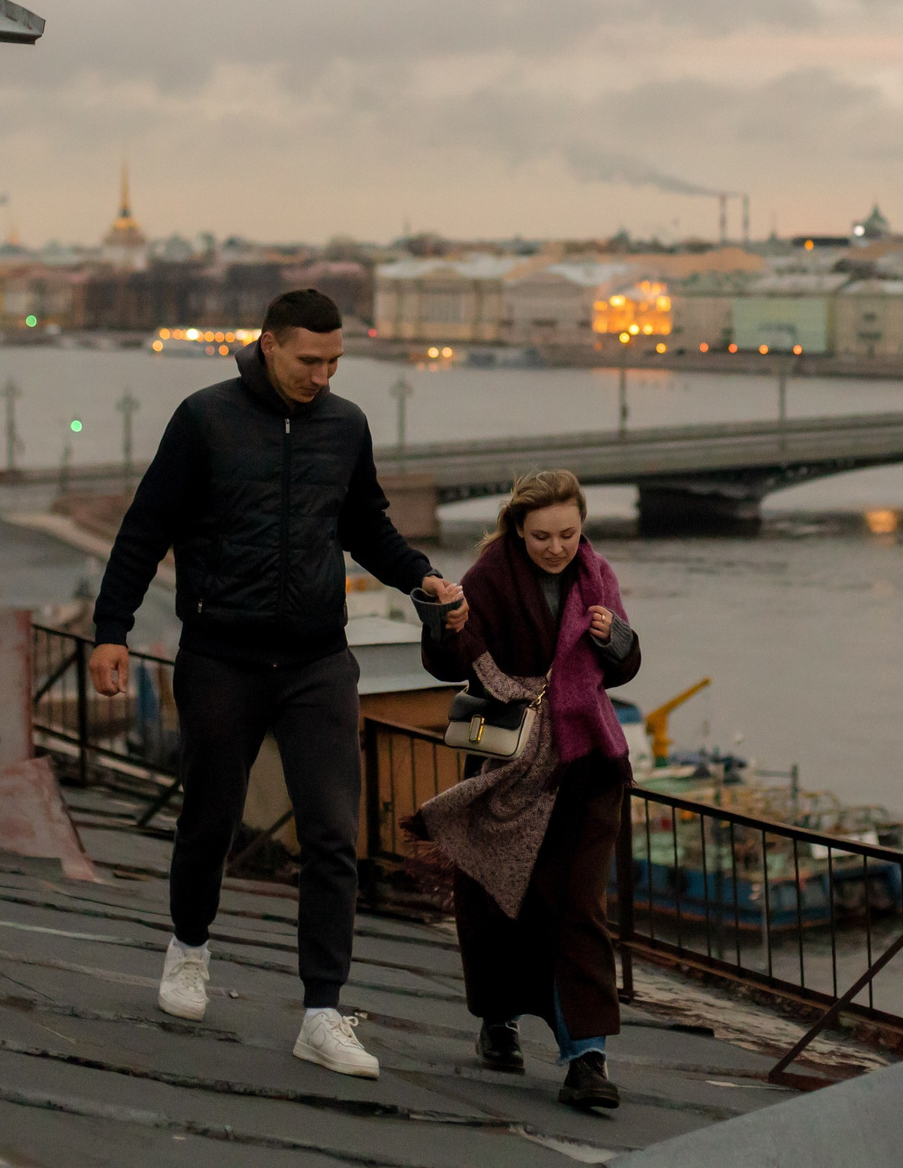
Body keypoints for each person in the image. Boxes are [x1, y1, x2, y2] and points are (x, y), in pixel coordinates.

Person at [87, 288, 462, 1080]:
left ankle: (322, 1011)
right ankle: (189, 946)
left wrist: (419, 576)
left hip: (318, 660)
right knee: (210, 818)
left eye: (335, 362)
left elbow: (364, 525)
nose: (322, 376)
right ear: (268, 344)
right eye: (309, 360)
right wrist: (111, 629)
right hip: (221, 655)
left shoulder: (346, 425)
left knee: (332, 832)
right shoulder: (205, 418)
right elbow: (146, 526)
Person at [409, 469, 641, 1114]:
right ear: (517, 529)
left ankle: (587, 1058)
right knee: (493, 896)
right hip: (507, 763)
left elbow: (623, 667)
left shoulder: (598, 576)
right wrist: (443, 622)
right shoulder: (488, 578)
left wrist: (616, 640)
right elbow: (450, 662)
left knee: (578, 907)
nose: (557, 547)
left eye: (568, 533)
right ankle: (498, 1019)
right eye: (542, 536)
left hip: (586, 762)